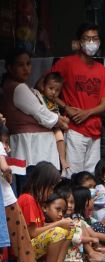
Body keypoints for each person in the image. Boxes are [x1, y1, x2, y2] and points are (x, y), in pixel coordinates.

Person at [46, 23, 105, 175]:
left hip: (95, 131)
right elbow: (43, 86)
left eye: (95, 38)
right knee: (73, 176)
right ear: (79, 42)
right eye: (87, 38)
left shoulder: (101, 70)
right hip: (74, 129)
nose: (91, 42)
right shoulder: (66, 63)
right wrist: (66, 107)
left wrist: (87, 113)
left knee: (90, 179)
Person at [1, 49, 67, 189]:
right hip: (33, 147)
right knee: (36, 188)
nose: (26, 68)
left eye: (28, 64)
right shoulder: (18, 88)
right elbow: (42, 114)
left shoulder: (16, 86)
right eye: (20, 65)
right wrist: (58, 120)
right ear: (10, 68)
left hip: (32, 145)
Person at [17, 162, 72, 262]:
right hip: (23, 249)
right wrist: (58, 223)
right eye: (51, 187)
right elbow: (32, 233)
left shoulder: (35, 201)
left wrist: (62, 224)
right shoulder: (27, 199)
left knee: (69, 229)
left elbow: (40, 227)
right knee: (58, 231)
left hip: (32, 244)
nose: (52, 191)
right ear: (42, 183)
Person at [38, 72, 70, 172]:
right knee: (60, 136)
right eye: (50, 88)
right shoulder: (40, 98)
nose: (53, 92)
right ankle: (63, 160)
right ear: (43, 87)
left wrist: (64, 119)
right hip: (46, 125)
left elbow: (57, 114)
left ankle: (62, 159)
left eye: (57, 90)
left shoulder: (54, 102)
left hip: (54, 125)